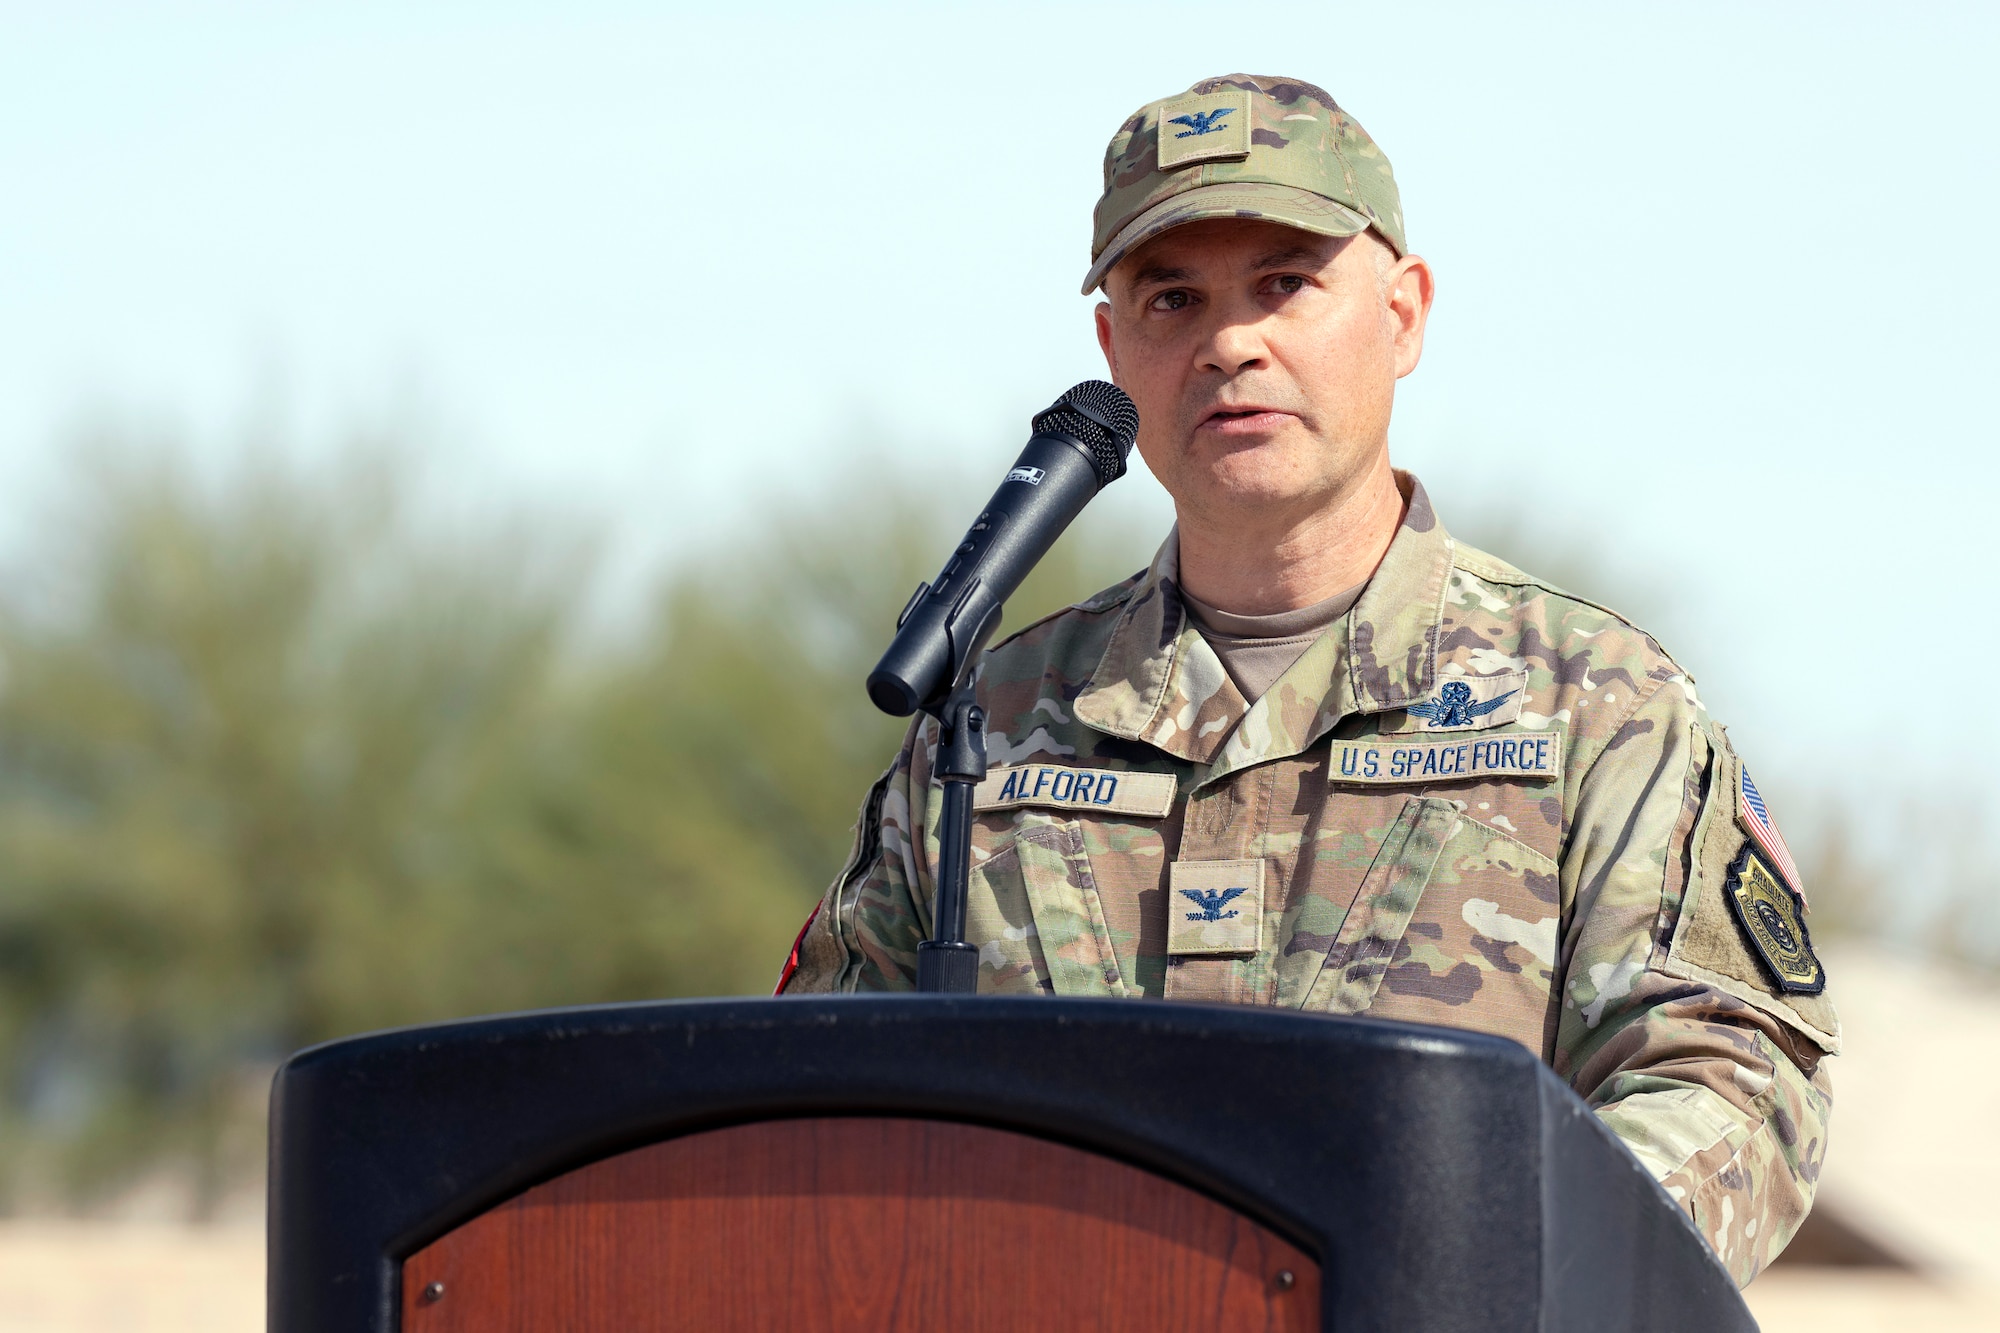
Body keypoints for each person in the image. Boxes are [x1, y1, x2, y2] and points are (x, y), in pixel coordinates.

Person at [778, 73, 1835, 1286]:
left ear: (1402, 314)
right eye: (1172, 298)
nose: (1230, 342)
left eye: (1283, 283)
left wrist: (1497, 1279)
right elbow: (813, 1089)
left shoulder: (1589, 704)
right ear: (1113, 351)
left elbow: (1726, 1076)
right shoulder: (997, 724)